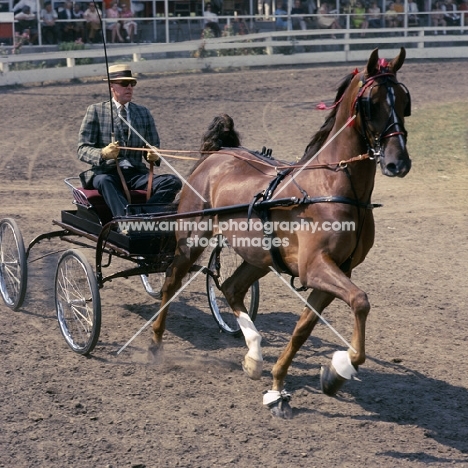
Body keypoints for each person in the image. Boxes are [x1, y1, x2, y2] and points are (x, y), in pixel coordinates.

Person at [78, 64, 182, 218]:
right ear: (111, 86)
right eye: (124, 84)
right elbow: (82, 148)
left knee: (173, 182)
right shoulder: (96, 111)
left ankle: (144, 216)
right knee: (105, 180)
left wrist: (153, 155)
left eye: (132, 84)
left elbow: (154, 146)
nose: (129, 88)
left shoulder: (143, 112)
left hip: (136, 173)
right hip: (106, 173)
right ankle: (124, 221)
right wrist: (103, 153)